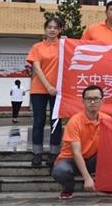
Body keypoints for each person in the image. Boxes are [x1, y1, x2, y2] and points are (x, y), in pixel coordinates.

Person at [51, 85, 112, 200]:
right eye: (89, 99)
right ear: (83, 101)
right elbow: (76, 152)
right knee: (60, 171)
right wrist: (87, 178)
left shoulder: (107, 120)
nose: (92, 102)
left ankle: (105, 186)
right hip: (71, 160)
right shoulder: (75, 121)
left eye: (96, 98)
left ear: (102, 101)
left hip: (92, 159)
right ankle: (68, 188)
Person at [26, 17, 64, 166]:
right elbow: (36, 68)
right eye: (49, 27)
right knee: (39, 121)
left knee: (56, 122)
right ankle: (37, 153)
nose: (52, 30)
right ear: (45, 29)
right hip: (39, 89)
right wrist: (48, 86)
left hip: (59, 90)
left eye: (56, 27)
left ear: (60, 30)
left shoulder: (64, 46)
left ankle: (54, 153)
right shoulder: (37, 47)